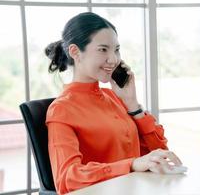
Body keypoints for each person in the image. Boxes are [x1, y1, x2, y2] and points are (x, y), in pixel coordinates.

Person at [45, 12, 184, 194]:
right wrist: (132, 164)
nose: (114, 59)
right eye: (103, 50)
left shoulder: (114, 97)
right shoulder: (62, 109)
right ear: (75, 52)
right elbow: (66, 179)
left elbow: (160, 154)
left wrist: (133, 105)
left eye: (116, 50)